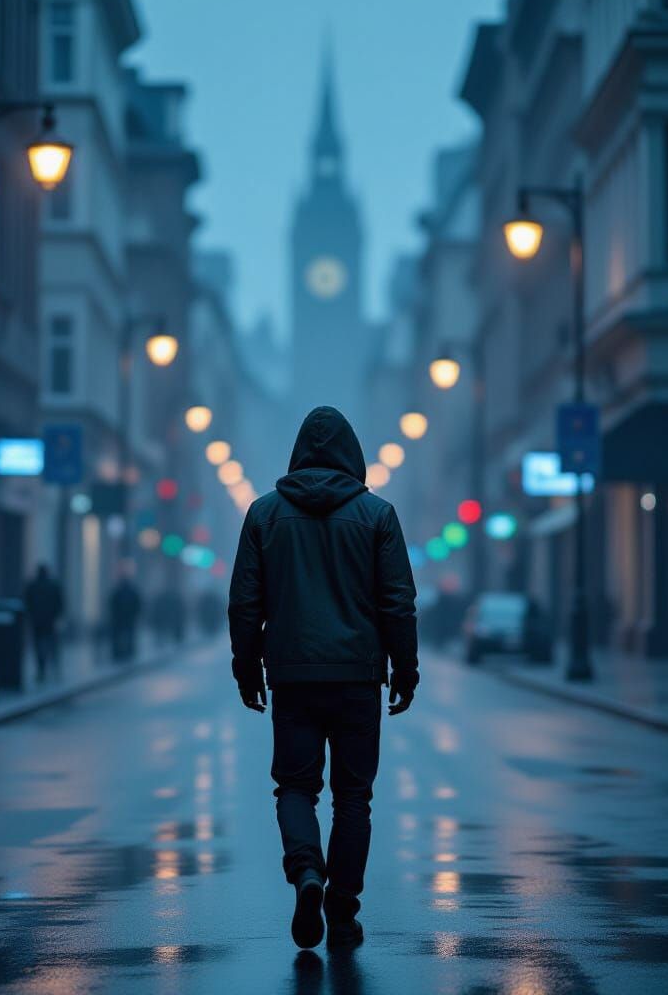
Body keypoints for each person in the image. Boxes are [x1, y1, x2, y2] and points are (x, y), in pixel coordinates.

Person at [229, 406, 419, 951]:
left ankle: (307, 873)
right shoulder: (377, 515)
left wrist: (248, 669)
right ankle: (342, 910)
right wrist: (405, 669)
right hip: (358, 678)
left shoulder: (264, 515)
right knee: (354, 797)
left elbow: (244, 604)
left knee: (294, 786)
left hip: (292, 676)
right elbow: (398, 603)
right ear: (353, 454)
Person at [23, 564, 63, 682]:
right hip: (50, 621)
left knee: (38, 645)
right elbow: (60, 603)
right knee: (51, 644)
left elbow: (27, 602)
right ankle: (54, 667)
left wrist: (30, 616)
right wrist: (57, 617)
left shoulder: (32, 586)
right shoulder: (53, 586)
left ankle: (42, 669)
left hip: (37, 622)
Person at [109, 568, 142, 662]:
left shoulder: (118, 591)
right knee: (129, 635)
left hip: (120, 619)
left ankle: (119, 653)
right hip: (128, 619)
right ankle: (128, 652)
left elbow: (112, 604)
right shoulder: (132, 592)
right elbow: (138, 605)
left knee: (121, 636)